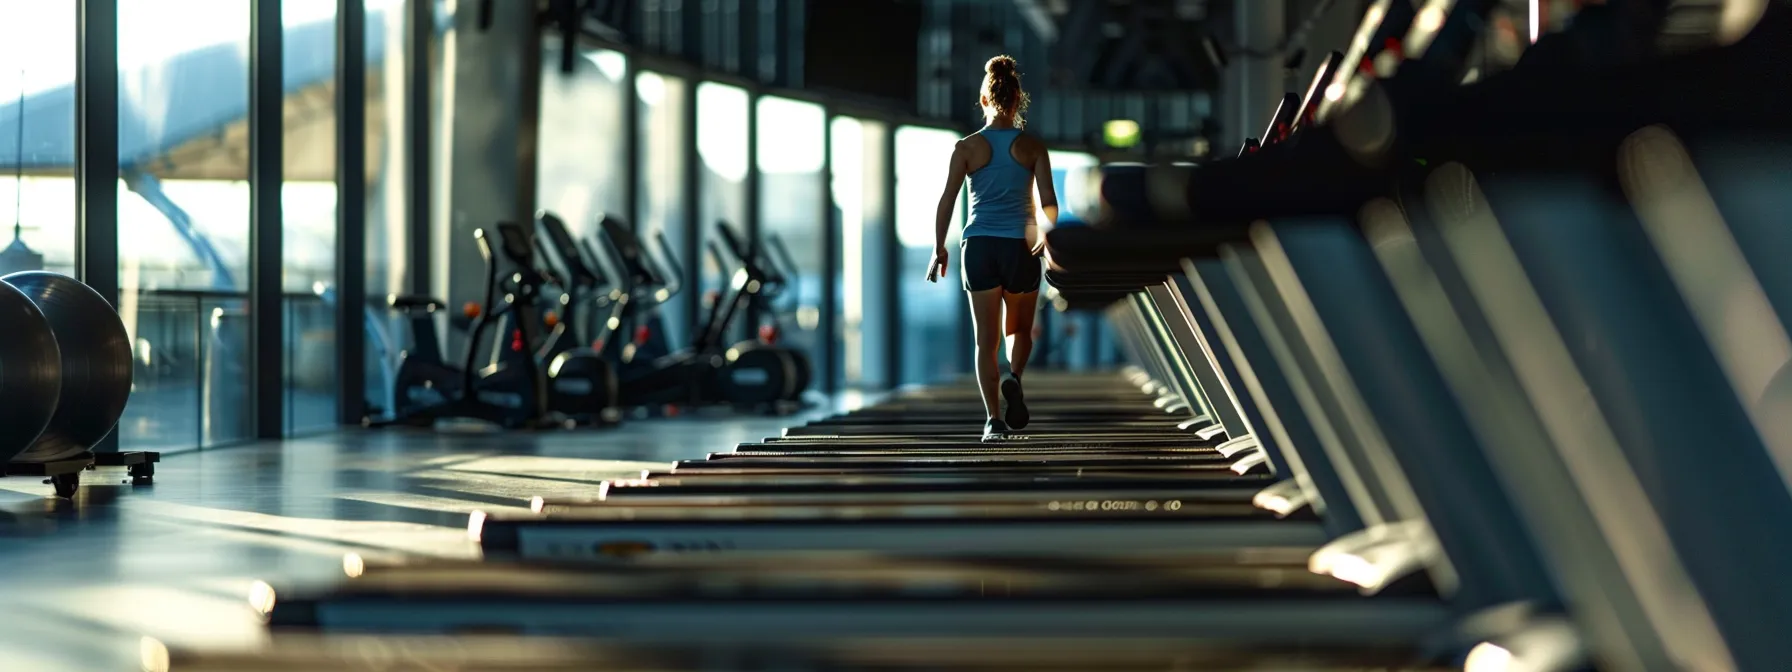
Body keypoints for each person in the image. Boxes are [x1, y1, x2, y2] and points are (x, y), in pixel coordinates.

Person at [926, 54, 1057, 442]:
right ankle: (1013, 377)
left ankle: (993, 422)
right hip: (1022, 244)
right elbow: (1048, 201)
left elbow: (947, 199)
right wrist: (1046, 237)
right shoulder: (1033, 147)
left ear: (984, 100)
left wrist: (938, 248)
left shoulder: (966, 148)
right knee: (1019, 329)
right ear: (1018, 102)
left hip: (979, 245)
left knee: (986, 340)